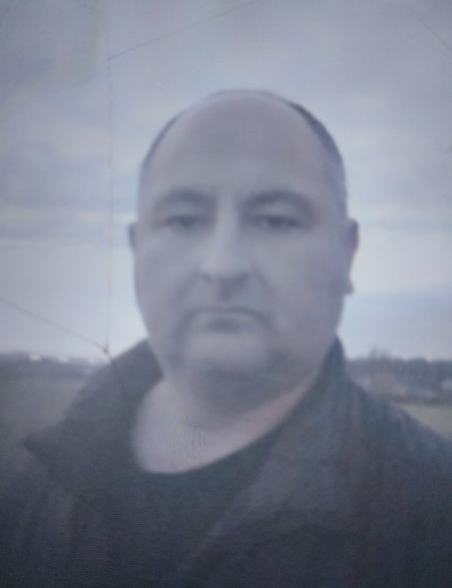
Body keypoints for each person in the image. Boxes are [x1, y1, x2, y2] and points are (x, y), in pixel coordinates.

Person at [1, 90, 451, 587]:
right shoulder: (24, 488)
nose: (223, 265)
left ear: (346, 254)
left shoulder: (433, 513)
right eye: (184, 220)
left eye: (275, 220)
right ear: (136, 249)